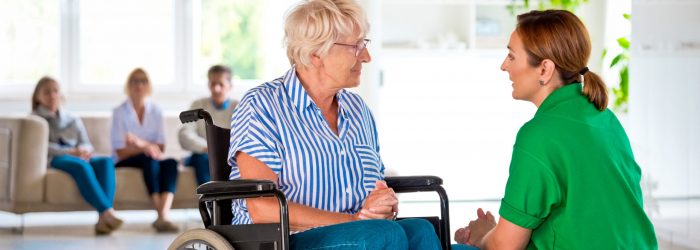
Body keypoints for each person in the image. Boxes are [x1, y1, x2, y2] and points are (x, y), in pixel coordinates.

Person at [227, 0, 443, 249]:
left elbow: (373, 196)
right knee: (383, 235)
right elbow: (262, 208)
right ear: (315, 54)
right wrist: (353, 222)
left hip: (358, 234)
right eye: (356, 46)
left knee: (421, 230)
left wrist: (382, 204)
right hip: (284, 239)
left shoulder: (358, 111)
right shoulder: (263, 105)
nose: (367, 56)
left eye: (365, 44)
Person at [452, 10, 657, 249]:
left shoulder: (538, 135)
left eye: (511, 56)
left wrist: (481, 235)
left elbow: (505, 246)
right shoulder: (606, 118)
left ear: (544, 70)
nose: (503, 66)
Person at [32, 76, 123, 235]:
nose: (52, 95)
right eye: (47, 92)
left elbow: (86, 142)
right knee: (81, 165)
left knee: (106, 162)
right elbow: (41, 146)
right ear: (38, 96)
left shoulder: (72, 118)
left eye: (55, 91)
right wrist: (69, 152)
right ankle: (107, 211)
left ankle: (103, 218)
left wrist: (83, 150)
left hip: (78, 155)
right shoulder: (34, 121)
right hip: (56, 159)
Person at [110, 68, 180, 232]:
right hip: (125, 160)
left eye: (143, 81)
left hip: (151, 157)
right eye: (135, 81)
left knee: (171, 163)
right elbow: (120, 151)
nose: (139, 85)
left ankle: (163, 214)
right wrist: (146, 147)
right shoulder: (119, 112)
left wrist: (139, 143)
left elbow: (161, 147)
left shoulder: (156, 111)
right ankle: (161, 215)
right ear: (129, 85)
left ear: (148, 85)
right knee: (148, 160)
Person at [178, 65, 238, 186]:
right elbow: (185, 133)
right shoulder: (198, 105)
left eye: (221, 84)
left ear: (230, 86)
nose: (216, 89)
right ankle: (209, 201)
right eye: (213, 84)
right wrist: (207, 147)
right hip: (202, 155)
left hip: (228, 157)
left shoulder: (238, 107)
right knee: (205, 159)